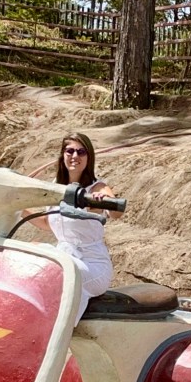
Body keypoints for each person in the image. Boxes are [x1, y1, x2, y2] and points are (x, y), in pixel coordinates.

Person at [31, 133, 122, 324]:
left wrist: (103, 201)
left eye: (81, 152)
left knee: (60, 272)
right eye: (70, 151)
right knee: (32, 254)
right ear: (62, 155)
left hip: (91, 265)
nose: (75, 156)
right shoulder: (55, 187)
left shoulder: (96, 187)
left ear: (89, 158)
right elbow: (48, 224)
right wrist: (16, 209)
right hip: (65, 256)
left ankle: (62, 329)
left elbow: (115, 212)